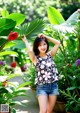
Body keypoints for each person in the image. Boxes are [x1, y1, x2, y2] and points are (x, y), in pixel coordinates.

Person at [22, 34, 60, 113]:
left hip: (53, 86)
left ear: (47, 44)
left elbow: (57, 43)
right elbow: (30, 51)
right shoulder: (35, 59)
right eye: (40, 45)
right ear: (37, 47)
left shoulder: (50, 55)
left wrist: (46, 37)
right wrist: (25, 41)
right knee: (43, 111)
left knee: (49, 111)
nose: (43, 47)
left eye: (44, 44)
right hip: (42, 87)